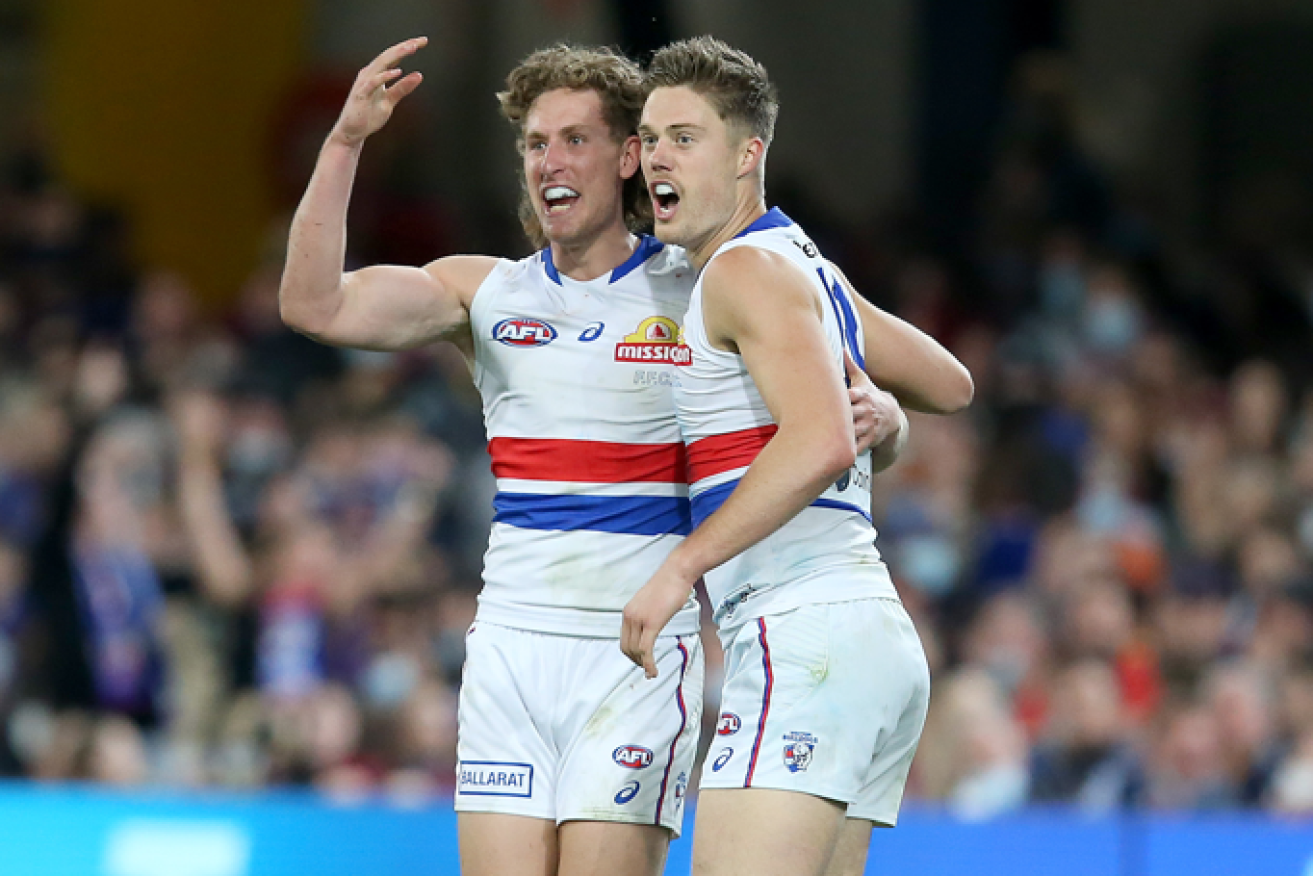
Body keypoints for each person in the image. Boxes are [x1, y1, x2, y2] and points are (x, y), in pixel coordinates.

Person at [280, 37, 966, 876]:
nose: (549, 161)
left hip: (636, 655)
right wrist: (346, 142)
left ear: (627, 158)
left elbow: (904, 373)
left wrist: (886, 416)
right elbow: (313, 303)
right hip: (509, 646)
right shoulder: (487, 292)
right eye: (534, 143)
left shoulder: (705, 278)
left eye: (575, 139)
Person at [621, 37, 965, 876]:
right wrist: (891, 418)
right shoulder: (808, 264)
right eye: (650, 136)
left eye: (683, 136)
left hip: (800, 631)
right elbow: (949, 384)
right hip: (867, 635)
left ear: (748, 156)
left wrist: (678, 570)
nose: (655, 157)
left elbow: (817, 441)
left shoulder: (742, 270)